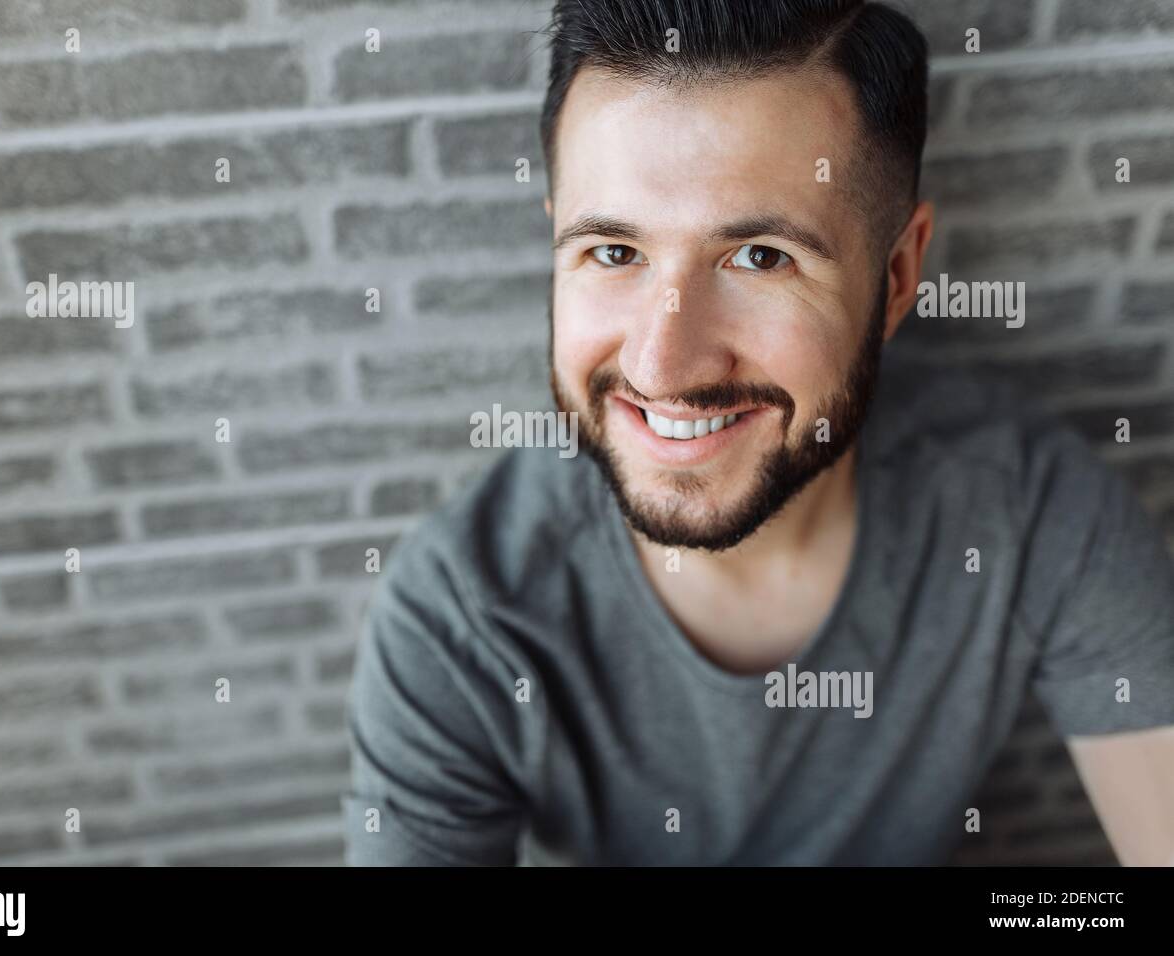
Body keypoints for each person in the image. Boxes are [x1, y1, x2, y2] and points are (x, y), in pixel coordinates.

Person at [342, 0, 1174, 866]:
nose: (664, 365)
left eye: (761, 257)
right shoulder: (461, 618)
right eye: (614, 253)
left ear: (896, 278)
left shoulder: (1027, 510)